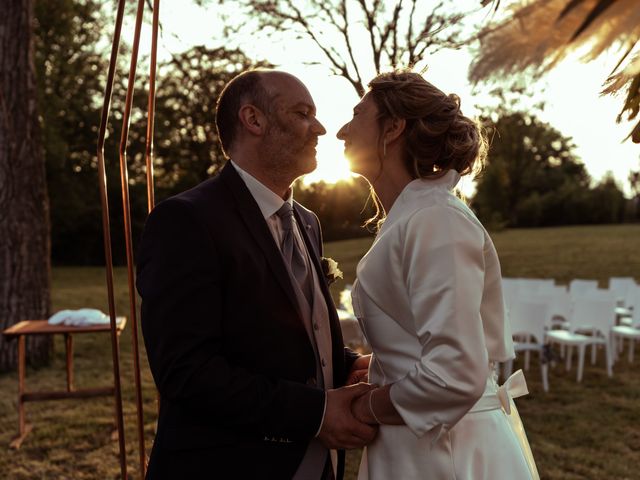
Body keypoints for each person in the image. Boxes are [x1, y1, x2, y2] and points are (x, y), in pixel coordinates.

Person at [137, 69, 375, 480]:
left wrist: (345, 364)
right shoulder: (186, 221)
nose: (319, 128)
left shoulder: (306, 221)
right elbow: (187, 372)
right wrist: (316, 412)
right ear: (254, 120)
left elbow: (282, 333)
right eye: (303, 113)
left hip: (317, 467)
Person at [336, 71, 539, 480]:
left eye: (357, 114)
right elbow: (430, 338)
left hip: (445, 453)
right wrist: (383, 364)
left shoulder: (436, 219)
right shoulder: (415, 214)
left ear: (393, 128)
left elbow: (455, 374)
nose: (342, 130)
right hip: (418, 444)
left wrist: (367, 406)